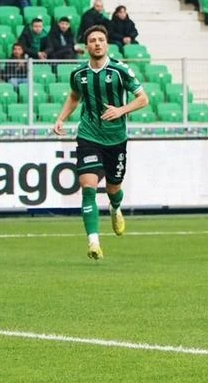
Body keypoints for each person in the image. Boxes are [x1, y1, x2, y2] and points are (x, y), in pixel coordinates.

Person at [51, 25, 150, 260]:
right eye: (93, 40)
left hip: (116, 139)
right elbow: (75, 96)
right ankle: (93, 242)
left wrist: (121, 110)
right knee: (88, 187)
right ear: (86, 47)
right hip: (88, 136)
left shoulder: (119, 70)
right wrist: (61, 119)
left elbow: (143, 99)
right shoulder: (78, 74)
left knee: (114, 188)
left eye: (101, 40)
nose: (97, 43)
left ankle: (115, 208)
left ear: (107, 44)